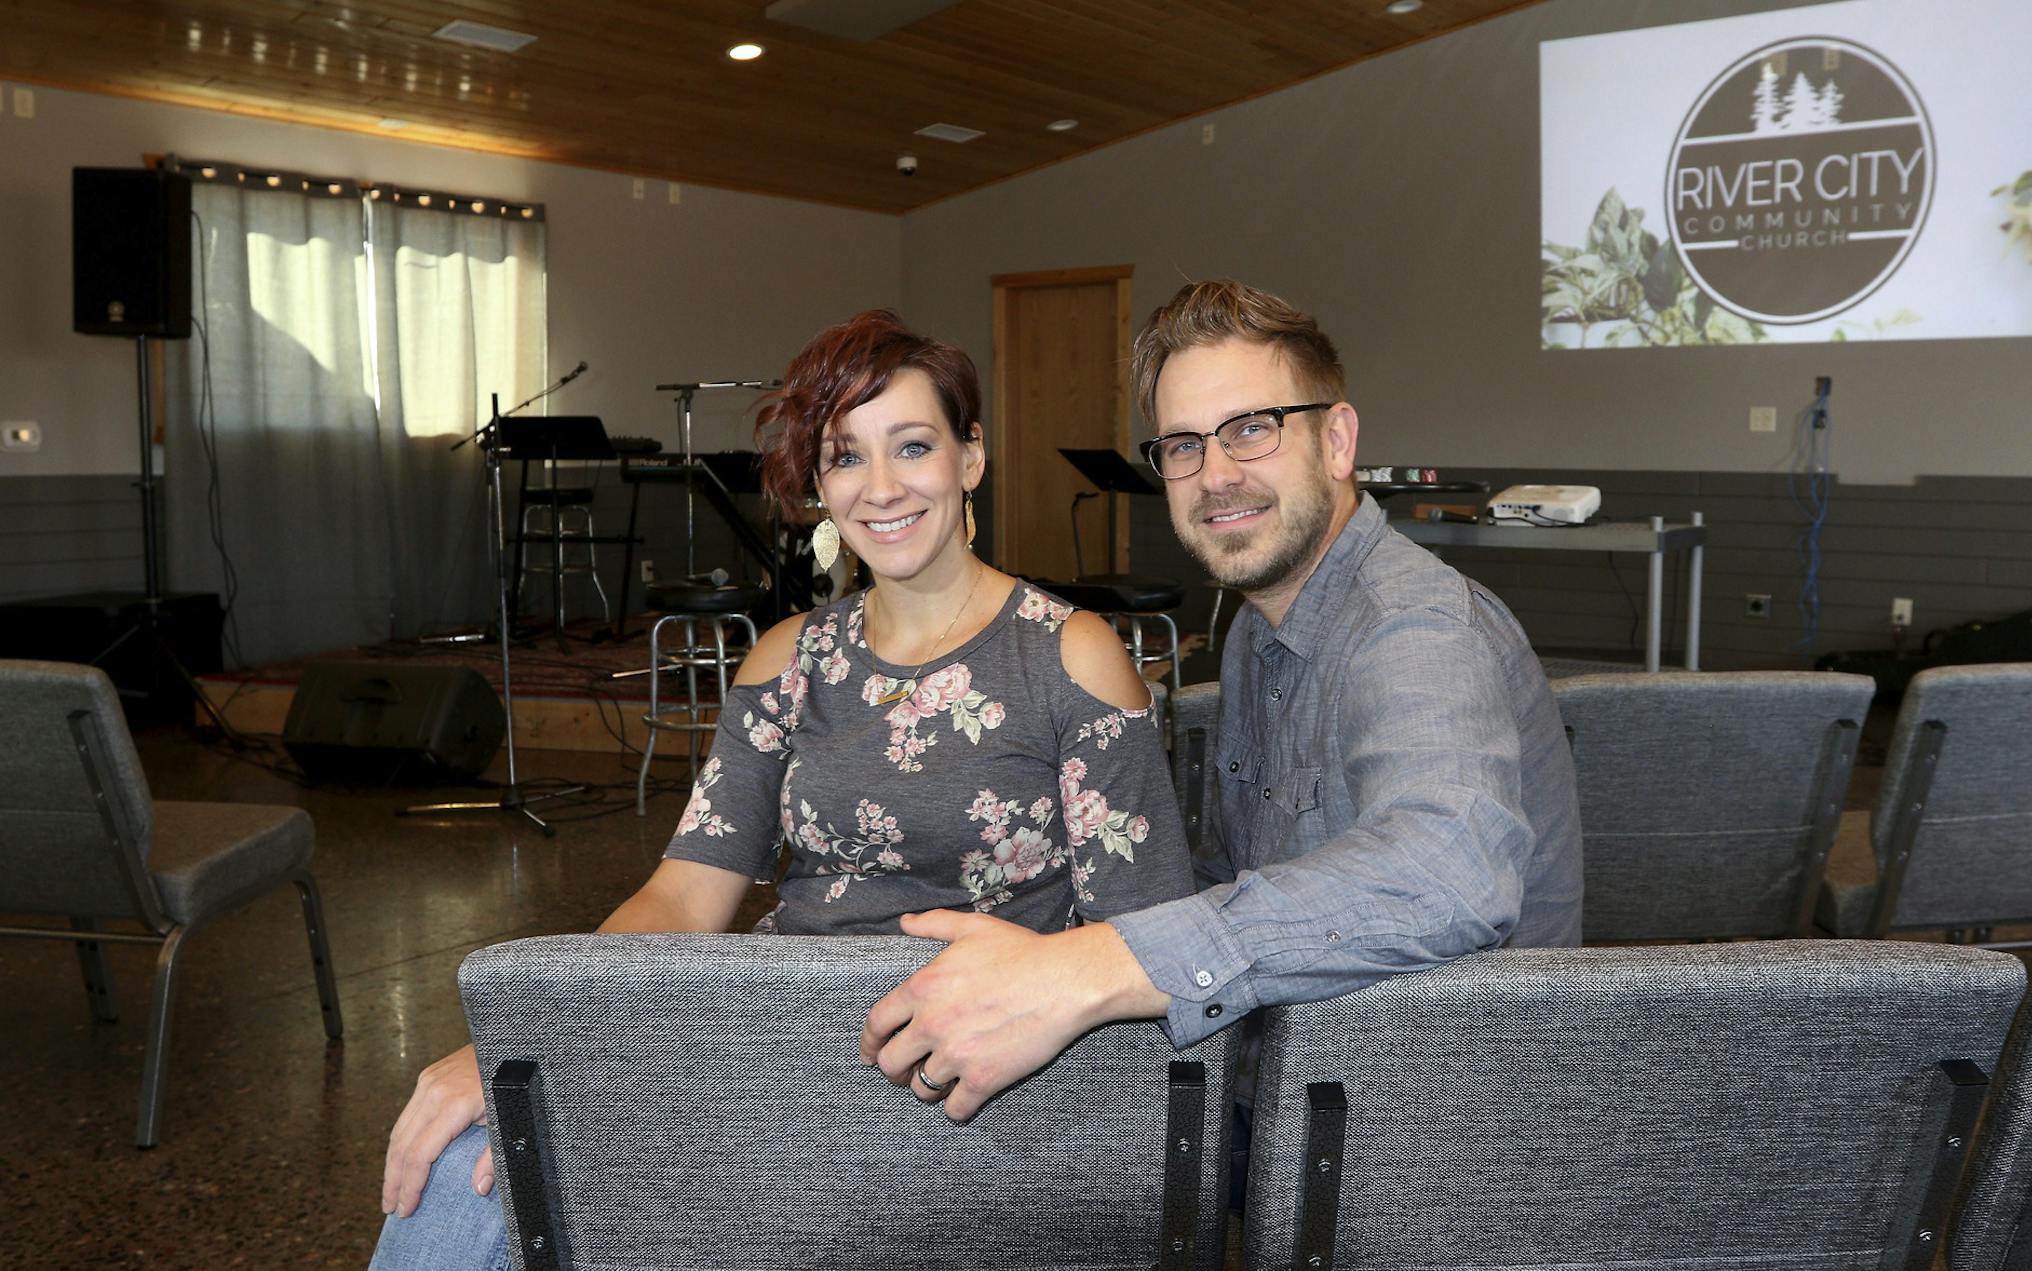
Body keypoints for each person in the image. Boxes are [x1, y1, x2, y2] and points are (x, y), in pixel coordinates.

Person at [371, 310, 1193, 1267]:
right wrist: (527, 1036)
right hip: (779, 1046)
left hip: (978, 1071)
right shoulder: (788, 658)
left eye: (913, 445)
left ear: (971, 457)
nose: (880, 486)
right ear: (821, 485)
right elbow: (685, 894)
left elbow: (1149, 939)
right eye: (846, 456)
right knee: (470, 1157)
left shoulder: (1068, 654)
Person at [862, 280, 1582, 1122]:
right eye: (1184, 444)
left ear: (1337, 440)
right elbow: (1246, 878)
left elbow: (1446, 870)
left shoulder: (1413, 629)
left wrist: (1093, 966)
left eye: (1251, 428)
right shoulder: (1255, 627)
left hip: (1428, 1127)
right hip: (1293, 1084)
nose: (1216, 475)